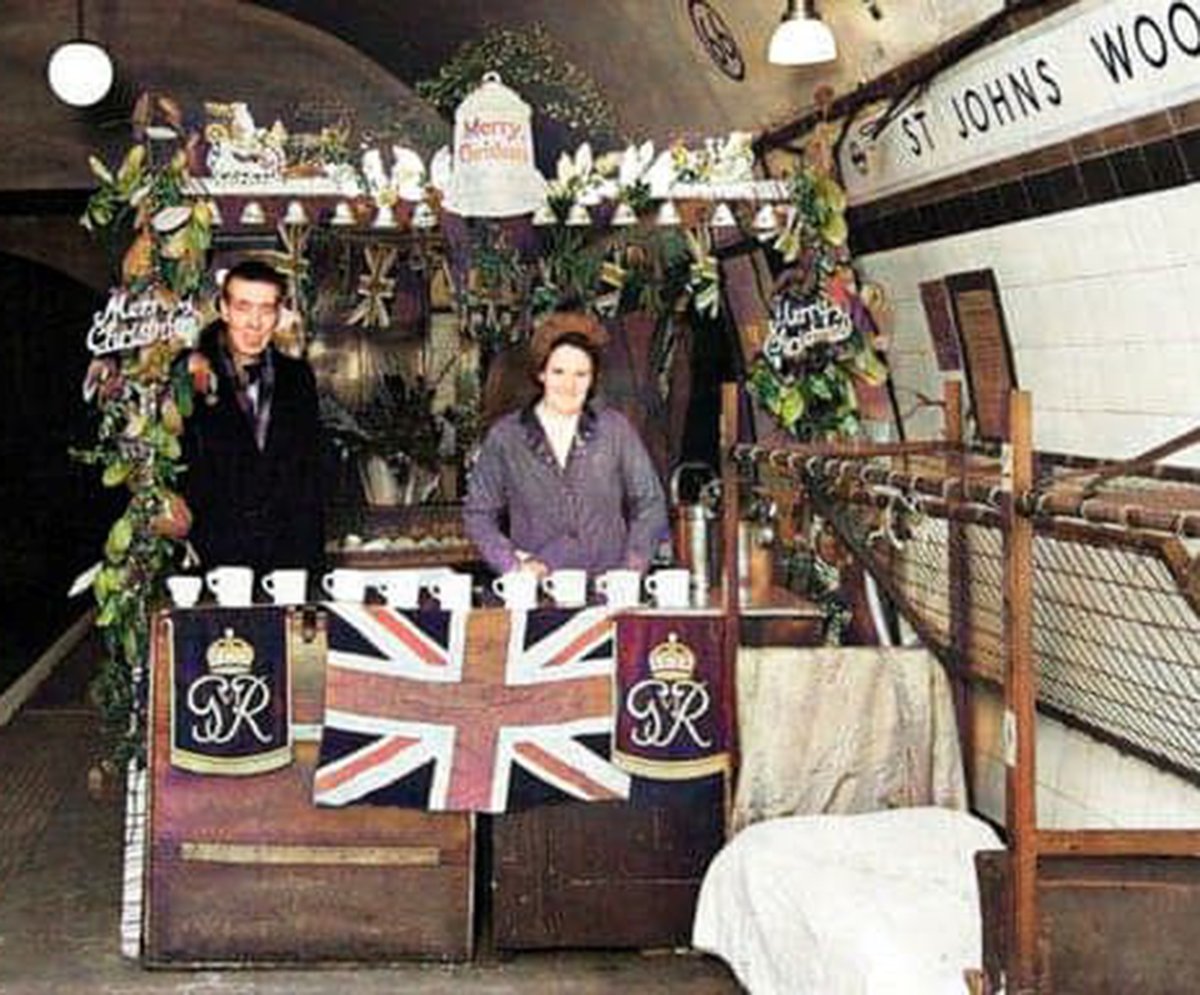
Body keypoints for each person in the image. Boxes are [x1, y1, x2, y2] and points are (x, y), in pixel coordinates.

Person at [464, 312, 668, 578]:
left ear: (593, 379)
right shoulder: (506, 437)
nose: (569, 385)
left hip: (609, 592)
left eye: (581, 374)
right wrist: (512, 567)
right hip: (537, 594)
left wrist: (632, 568)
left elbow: (650, 503)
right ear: (541, 373)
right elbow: (478, 513)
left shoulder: (615, 430)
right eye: (558, 372)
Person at [181, 259, 324, 577]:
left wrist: (310, 567)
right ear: (224, 308)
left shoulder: (298, 376)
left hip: (286, 561)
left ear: (279, 314)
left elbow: (311, 477)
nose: (254, 323)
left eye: (266, 309)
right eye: (244, 307)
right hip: (212, 559)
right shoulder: (188, 372)